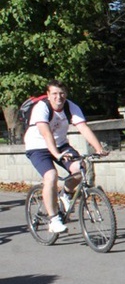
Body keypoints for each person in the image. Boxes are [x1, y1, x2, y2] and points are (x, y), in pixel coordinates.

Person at [24, 79, 108, 233]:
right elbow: (46, 133)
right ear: (48, 95)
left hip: (61, 145)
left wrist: (98, 148)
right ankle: (54, 219)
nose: (59, 97)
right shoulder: (41, 107)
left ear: (66, 94)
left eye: (62, 93)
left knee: (80, 168)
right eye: (54, 93)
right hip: (37, 147)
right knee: (51, 176)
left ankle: (66, 194)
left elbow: (82, 127)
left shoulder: (70, 106)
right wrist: (56, 154)